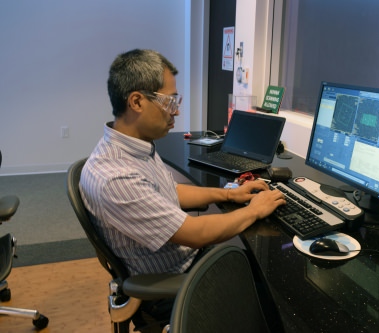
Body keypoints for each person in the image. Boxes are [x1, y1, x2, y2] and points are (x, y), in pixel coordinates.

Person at [79, 49, 286, 332]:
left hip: (184, 261)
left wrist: (228, 194)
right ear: (137, 101)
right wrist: (255, 209)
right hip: (170, 286)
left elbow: (169, 192)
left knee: (260, 267)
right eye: (169, 101)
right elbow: (195, 233)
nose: (176, 110)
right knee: (274, 298)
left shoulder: (131, 147)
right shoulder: (116, 177)